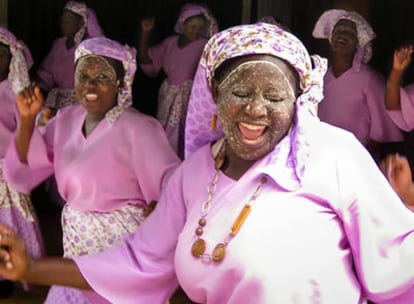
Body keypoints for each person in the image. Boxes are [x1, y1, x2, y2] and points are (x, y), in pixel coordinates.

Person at [1, 22, 414, 304]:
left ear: (297, 100)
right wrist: (34, 267)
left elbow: (396, 259)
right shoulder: (197, 172)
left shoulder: (331, 155)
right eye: (240, 93)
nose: (255, 110)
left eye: (274, 97)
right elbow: (140, 260)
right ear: (215, 93)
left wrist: (405, 210)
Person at [2, 36, 180, 303]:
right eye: (83, 75)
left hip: (118, 250)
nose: (90, 84)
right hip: (76, 247)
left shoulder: (140, 128)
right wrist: (27, 121)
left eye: (103, 77)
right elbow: (21, 174)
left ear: (121, 82)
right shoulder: (66, 119)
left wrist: (162, 210)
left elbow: (172, 185)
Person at [312, 9, 403, 160]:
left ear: (358, 44)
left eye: (350, 33)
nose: (342, 35)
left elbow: (380, 132)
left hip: (357, 161)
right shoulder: (319, 77)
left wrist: (358, 161)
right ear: (330, 36)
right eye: (339, 30)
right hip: (320, 158)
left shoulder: (370, 79)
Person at [138, 2, 218, 158]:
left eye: (200, 28)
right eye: (192, 26)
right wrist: (145, 33)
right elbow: (146, 59)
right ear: (183, 23)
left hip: (190, 98)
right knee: (163, 130)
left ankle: (179, 166)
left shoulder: (204, 45)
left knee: (184, 132)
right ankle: (163, 162)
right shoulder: (170, 43)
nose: (196, 32)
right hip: (168, 95)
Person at [0, 27, 44, 298]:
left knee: (9, 222)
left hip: (6, 168)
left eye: (2, 54)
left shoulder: (17, 92)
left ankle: (11, 272)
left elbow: (26, 133)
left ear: (12, 58)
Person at [36, 0, 104, 112]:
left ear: (81, 23)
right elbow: (46, 75)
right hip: (59, 104)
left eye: (67, 22)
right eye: (62, 22)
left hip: (84, 104)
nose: (63, 26)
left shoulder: (90, 46)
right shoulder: (58, 45)